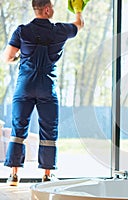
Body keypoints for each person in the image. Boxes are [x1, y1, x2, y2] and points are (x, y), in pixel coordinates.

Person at [2, 0, 85, 186]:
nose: (53, 10)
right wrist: (78, 10)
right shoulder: (60, 30)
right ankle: (47, 174)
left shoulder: (22, 31)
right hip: (47, 87)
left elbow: (7, 57)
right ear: (47, 9)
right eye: (52, 7)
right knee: (49, 129)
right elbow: (79, 25)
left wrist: (18, 58)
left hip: (25, 86)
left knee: (18, 128)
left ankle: (14, 174)